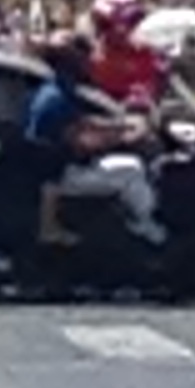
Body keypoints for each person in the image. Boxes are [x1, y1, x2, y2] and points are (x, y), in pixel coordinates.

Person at [24, 33, 162, 247]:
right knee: (132, 173)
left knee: (130, 165)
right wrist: (121, 137)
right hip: (63, 175)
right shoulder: (59, 98)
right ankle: (144, 224)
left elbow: (84, 121)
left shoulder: (53, 89)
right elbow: (83, 140)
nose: (90, 63)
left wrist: (120, 124)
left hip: (51, 168)